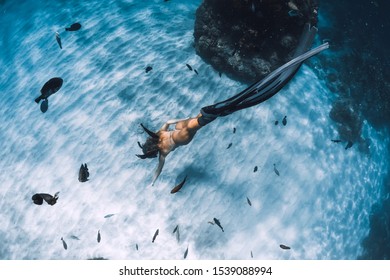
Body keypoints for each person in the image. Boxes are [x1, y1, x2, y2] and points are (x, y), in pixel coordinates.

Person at [137, 23, 329, 185]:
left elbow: (159, 169)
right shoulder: (160, 132)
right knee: (210, 113)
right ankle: (213, 112)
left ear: (153, 152)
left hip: (187, 132)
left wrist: (153, 181)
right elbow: (170, 120)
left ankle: (218, 111)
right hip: (186, 124)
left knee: (222, 110)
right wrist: (185, 119)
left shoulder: (162, 153)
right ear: (149, 142)